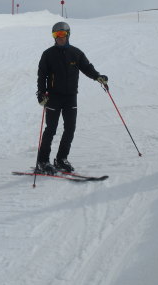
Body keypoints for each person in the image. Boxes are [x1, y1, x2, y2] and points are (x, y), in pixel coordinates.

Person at [36, 22, 108, 174]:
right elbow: (42, 75)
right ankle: (42, 161)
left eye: (61, 34)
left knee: (70, 128)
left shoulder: (76, 53)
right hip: (53, 97)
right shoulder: (48, 54)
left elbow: (87, 68)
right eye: (56, 35)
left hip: (70, 97)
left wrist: (98, 77)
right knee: (51, 129)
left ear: (68, 34)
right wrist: (41, 93)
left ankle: (61, 159)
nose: (59, 38)